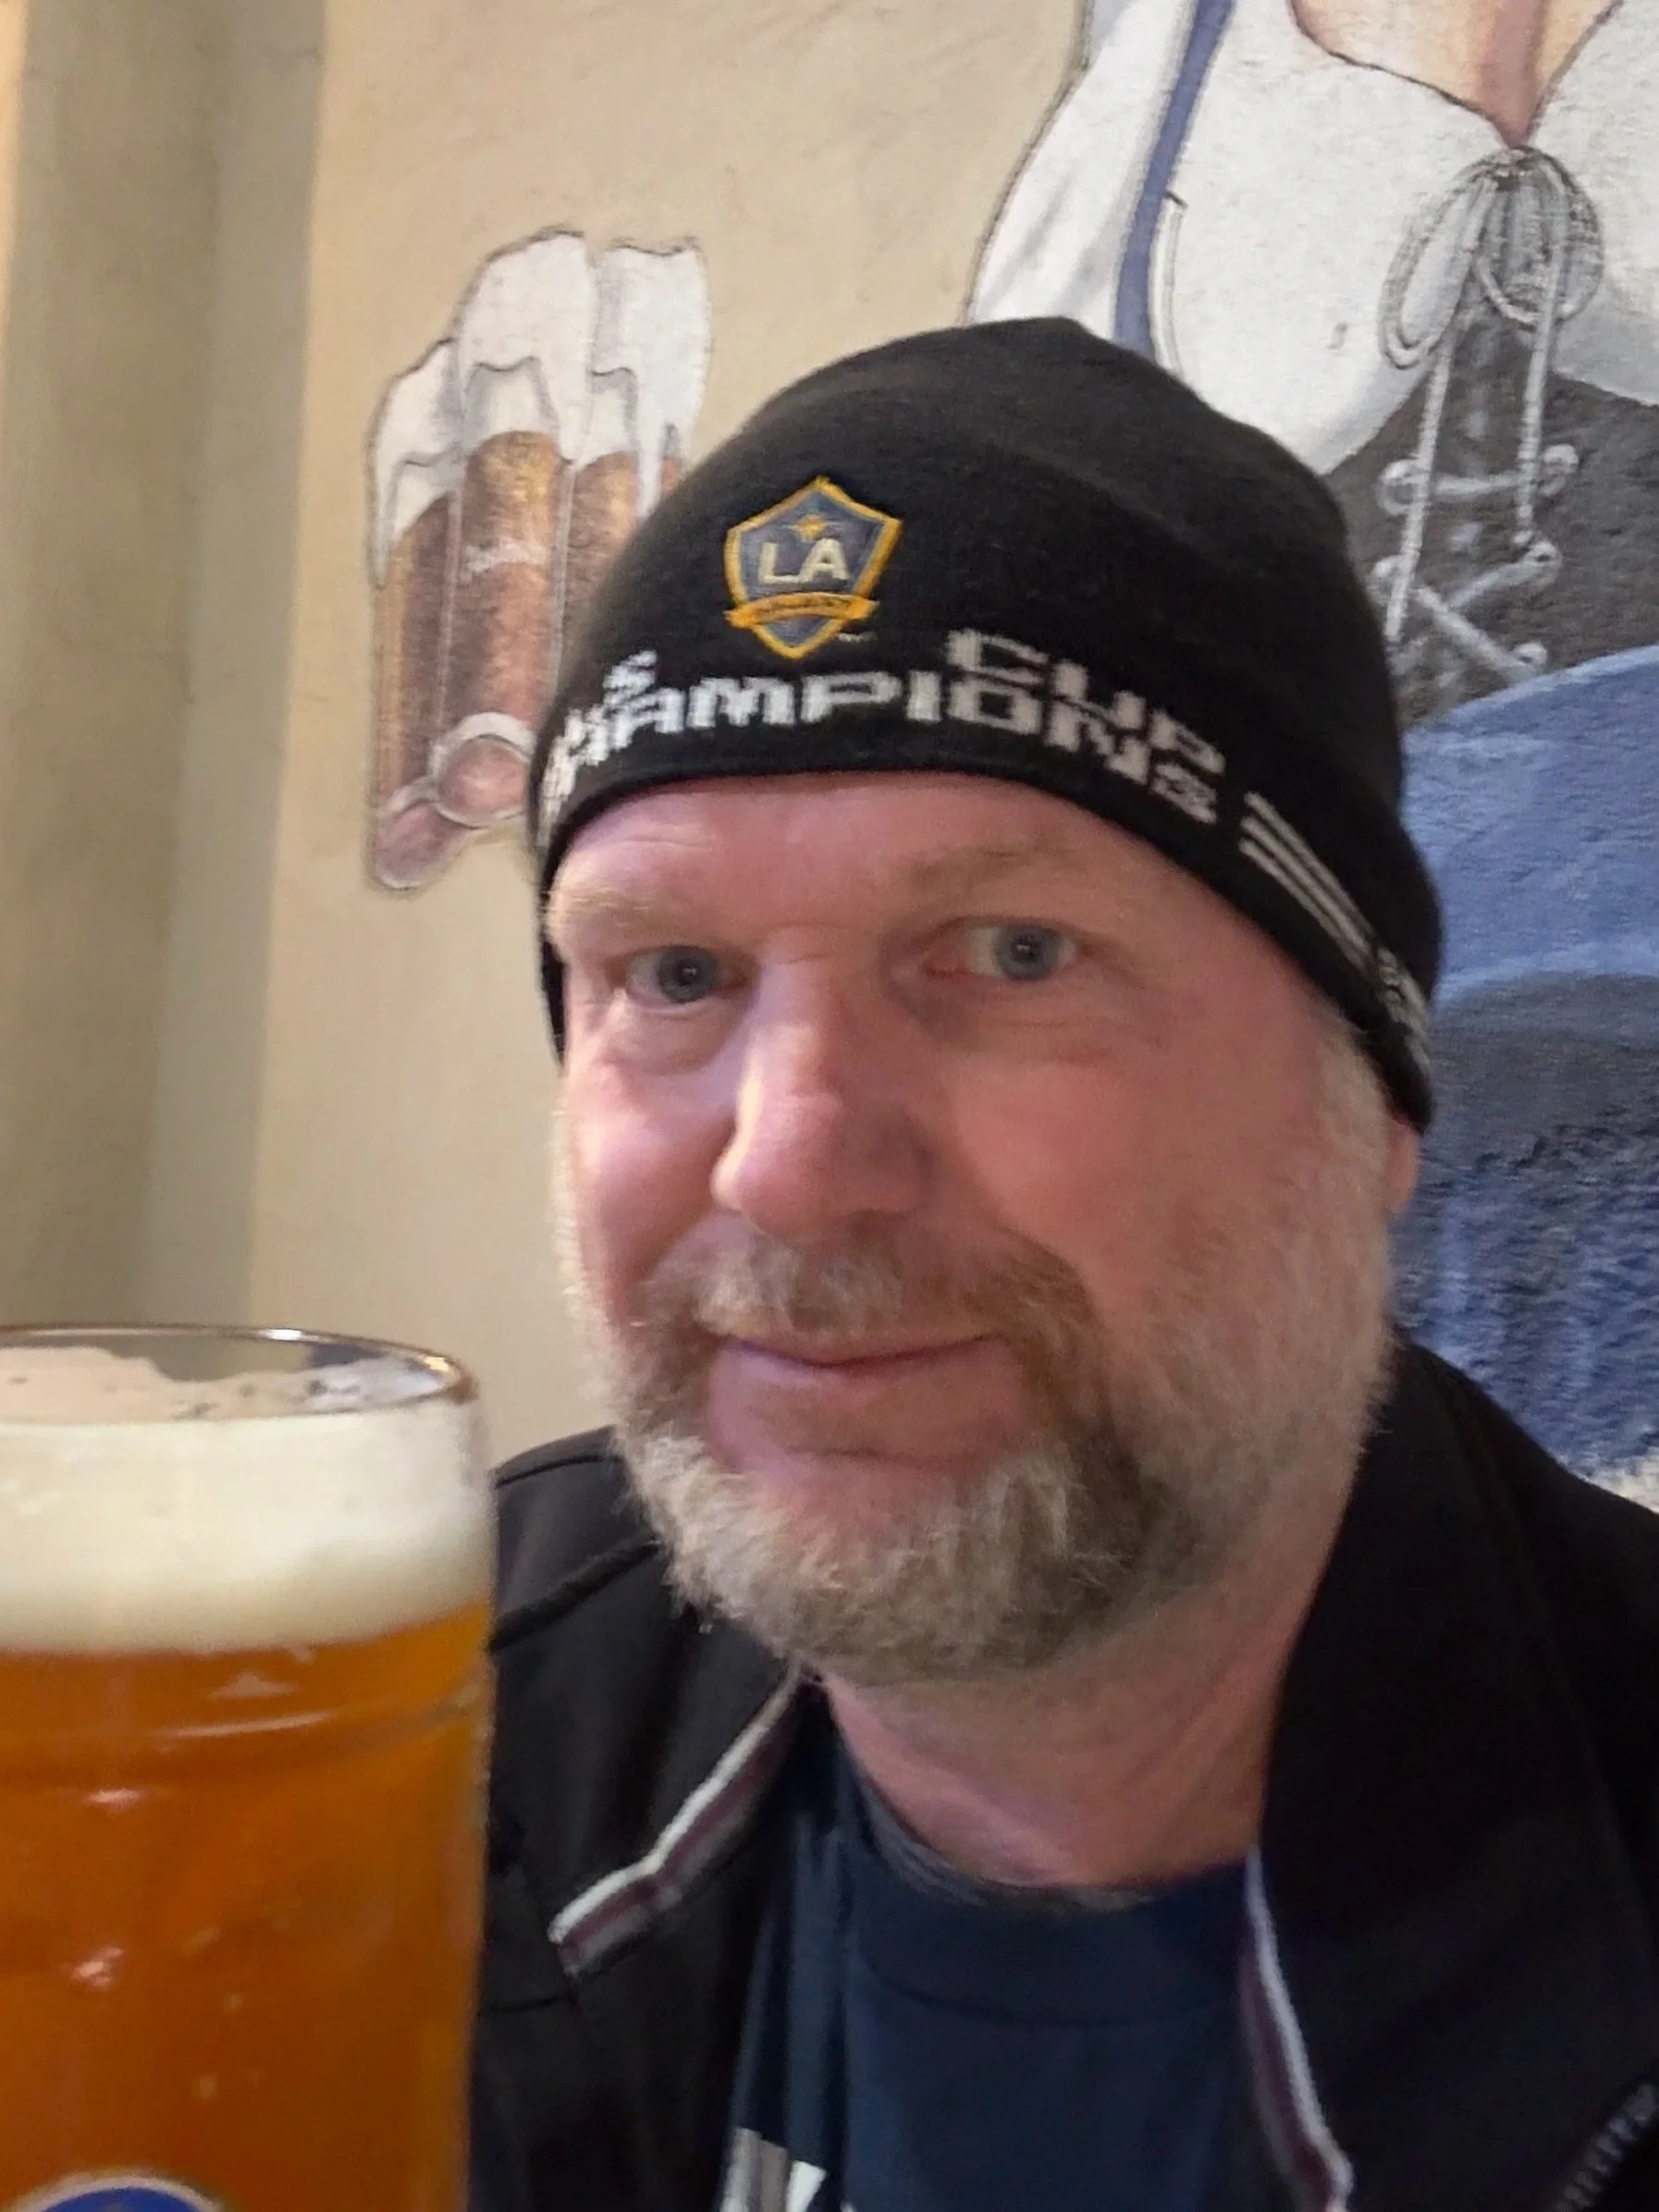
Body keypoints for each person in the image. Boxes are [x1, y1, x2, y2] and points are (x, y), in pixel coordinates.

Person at [469, 320, 1659, 2212]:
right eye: (672, 975)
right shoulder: (424, 1708)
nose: (790, 1168)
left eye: (1014, 953)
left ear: (1373, 1098)